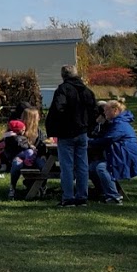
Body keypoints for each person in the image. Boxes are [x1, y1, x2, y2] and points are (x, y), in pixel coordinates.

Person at [45, 65, 98, 207]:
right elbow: (94, 111)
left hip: (66, 132)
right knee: (82, 165)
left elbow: (58, 108)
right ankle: (82, 196)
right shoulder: (87, 91)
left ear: (63, 76)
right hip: (82, 132)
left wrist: (57, 125)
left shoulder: (63, 90)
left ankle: (68, 197)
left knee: (67, 166)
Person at [88, 100, 137, 204]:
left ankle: (114, 197)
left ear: (115, 110)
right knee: (92, 167)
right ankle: (103, 192)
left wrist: (87, 141)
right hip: (118, 155)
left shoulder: (120, 124)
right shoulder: (115, 122)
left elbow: (107, 139)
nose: (104, 113)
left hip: (125, 158)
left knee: (101, 167)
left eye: (106, 110)